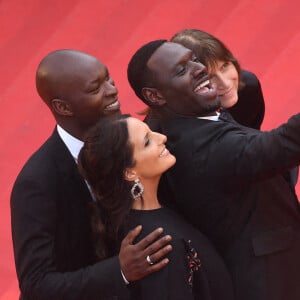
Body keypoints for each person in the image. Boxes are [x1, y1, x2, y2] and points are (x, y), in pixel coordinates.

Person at [127, 40, 300, 300]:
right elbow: (283, 144)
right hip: (270, 283)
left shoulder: (189, 115)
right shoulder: (201, 147)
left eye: (194, 59)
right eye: (181, 70)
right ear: (155, 96)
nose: (199, 69)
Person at [10, 49, 173, 300]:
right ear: (63, 107)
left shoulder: (135, 138)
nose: (112, 90)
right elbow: (36, 283)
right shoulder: (37, 182)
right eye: (96, 88)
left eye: (108, 78)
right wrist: (120, 271)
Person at [78, 114, 234, 300]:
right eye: (147, 142)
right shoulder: (155, 242)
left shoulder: (149, 215)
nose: (162, 138)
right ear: (129, 172)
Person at [170, 28, 298, 191]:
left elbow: (251, 136)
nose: (225, 83)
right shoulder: (169, 131)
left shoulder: (247, 88)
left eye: (224, 66)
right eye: (209, 77)